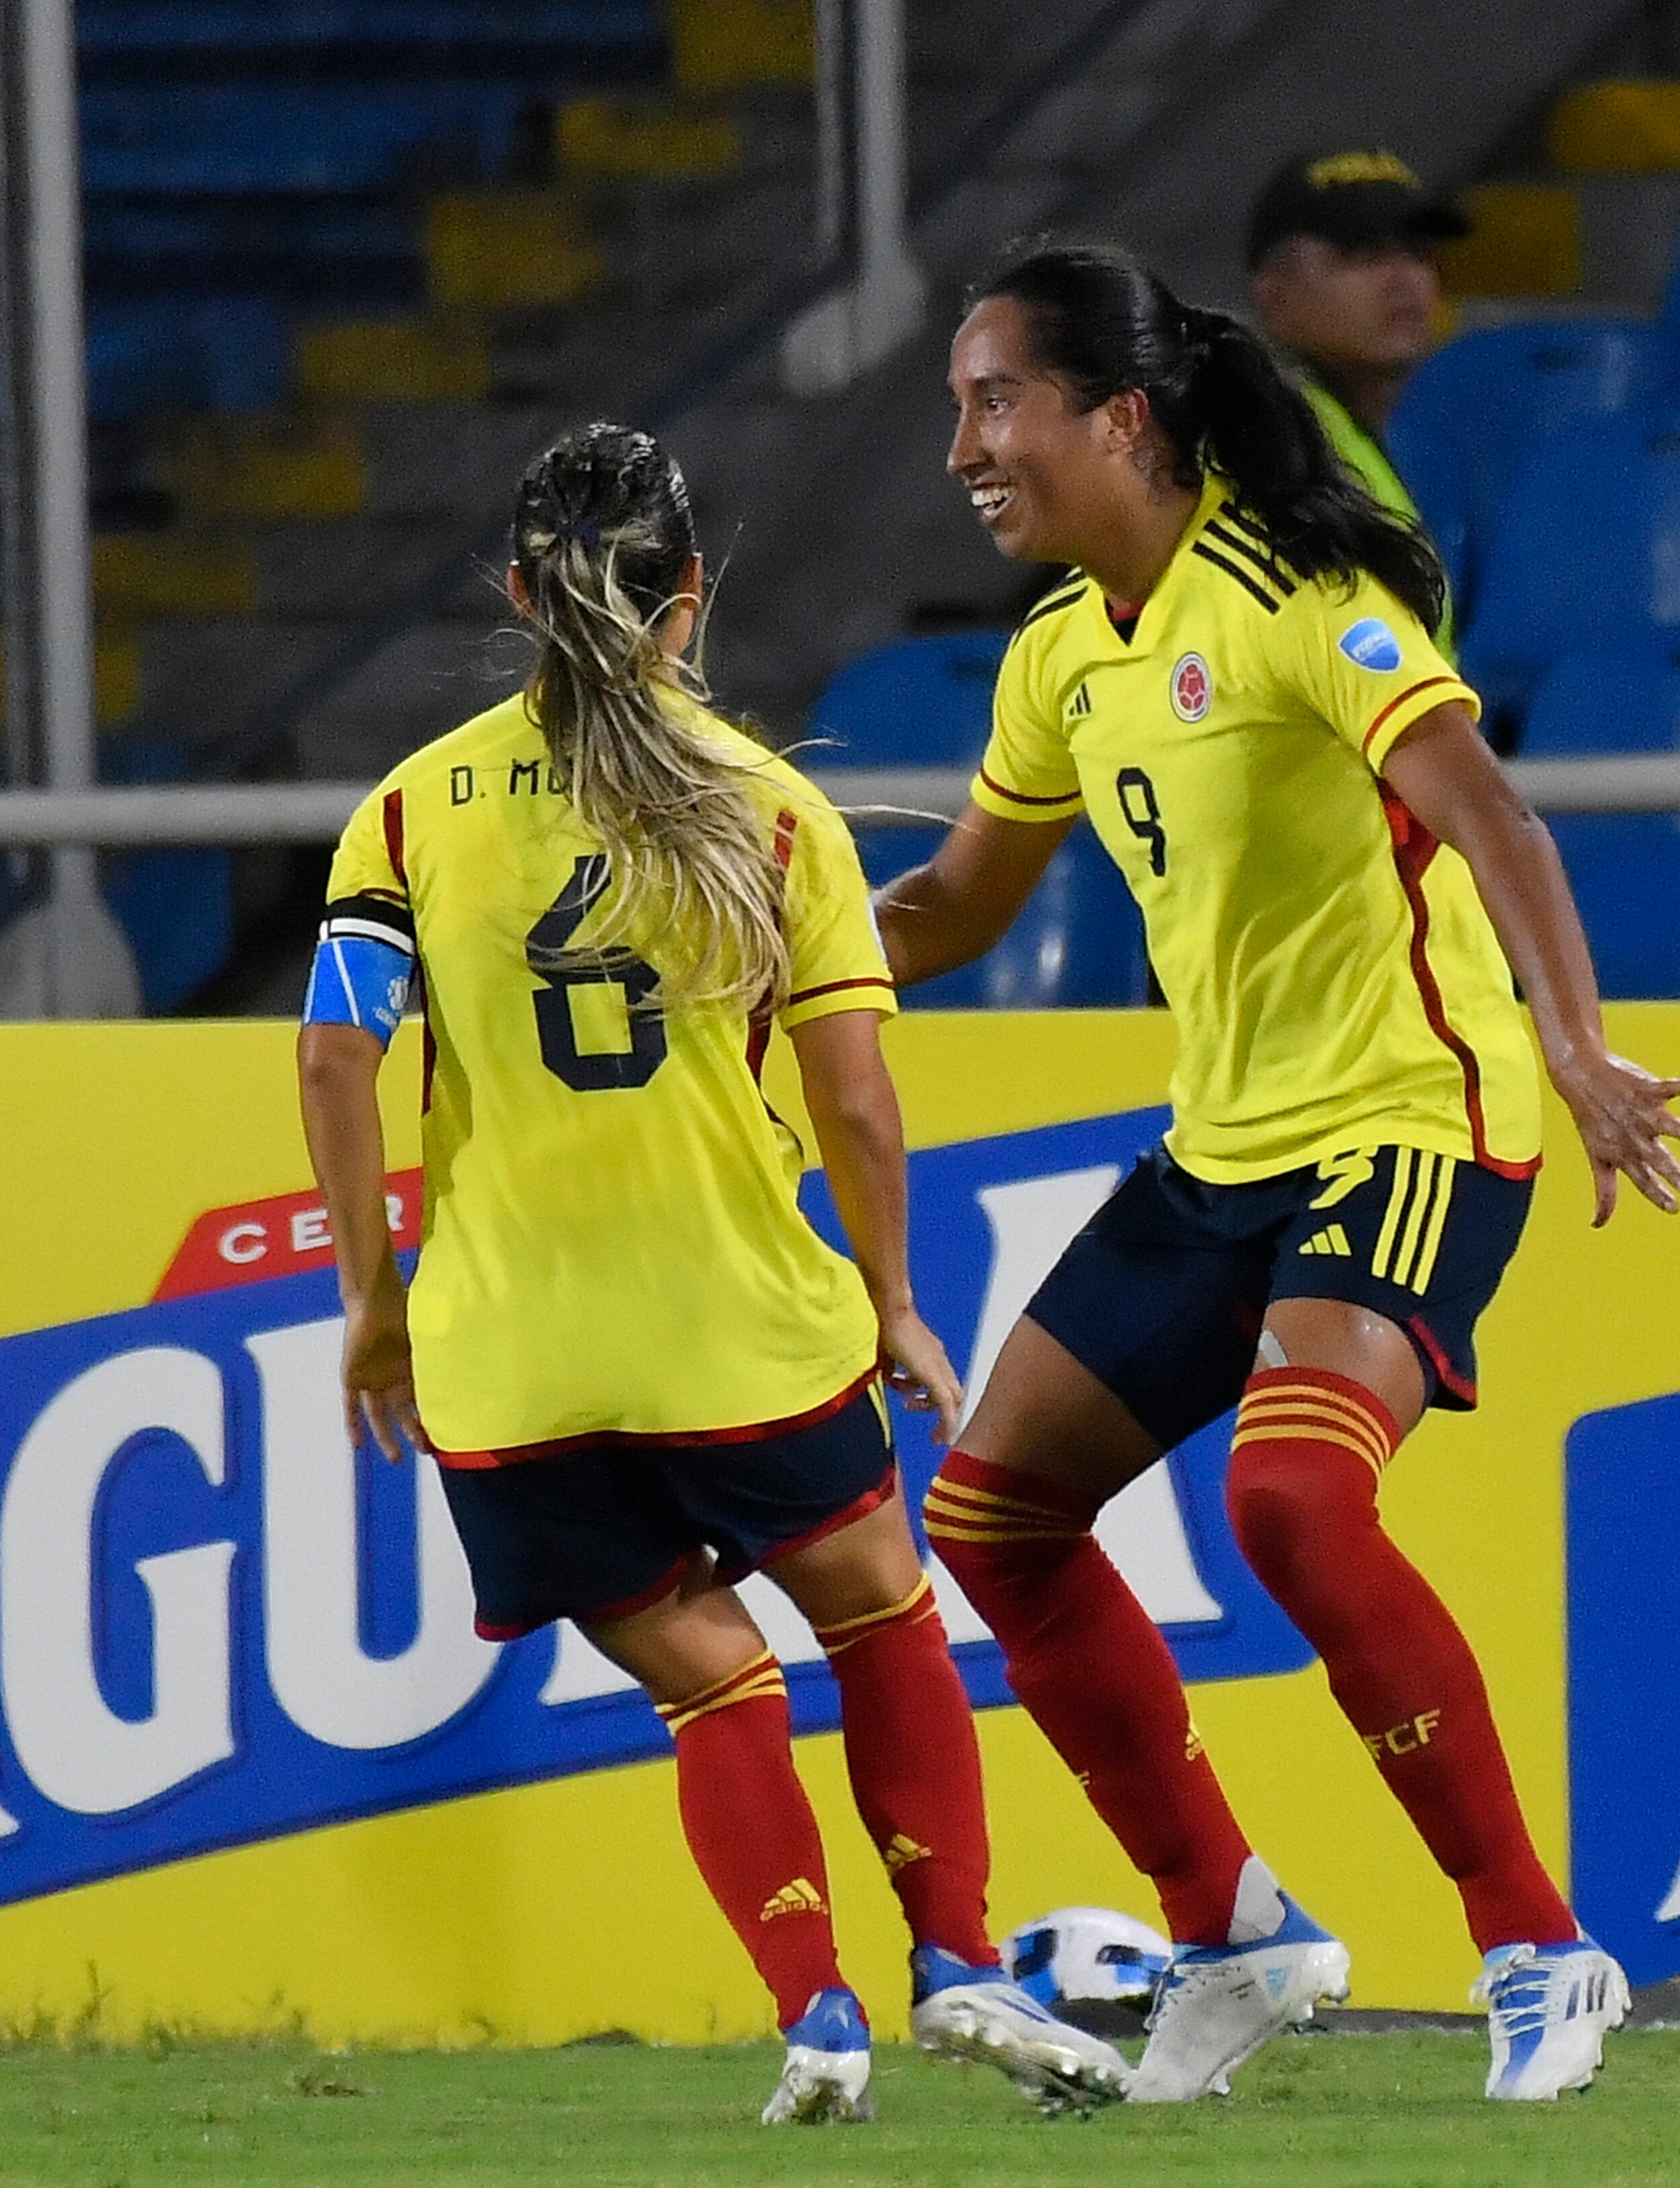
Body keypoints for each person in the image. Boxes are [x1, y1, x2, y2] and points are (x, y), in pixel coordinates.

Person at [888, 241, 1680, 2105]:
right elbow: (950, 909)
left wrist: (1576, 1053)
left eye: (997, 400)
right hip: (1227, 1143)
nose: (965, 448)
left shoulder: (1294, 594)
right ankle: (1234, 1926)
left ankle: (1539, 1945)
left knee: (1294, 1508)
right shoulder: (1060, 660)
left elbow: (1488, 811)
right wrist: (760, 968)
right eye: (958, 408)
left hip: (1415, 1109)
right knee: (996, 1516)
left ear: (1123, 413)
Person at [293, 423, 1133, 2125]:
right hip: (734, 1321)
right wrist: (892, 1298)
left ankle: (812, 2012)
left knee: (705, 1676)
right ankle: (954, 1961)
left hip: (510, 1355)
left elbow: (331, 1062)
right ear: (694, 595)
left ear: (522, 594)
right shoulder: (768, 807)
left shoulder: (411, 807)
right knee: (882, 1609)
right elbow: (855, 1096)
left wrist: (377, 1308)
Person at [1243, 148, 1468, 521]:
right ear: (1275, 294)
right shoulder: (1264, 451)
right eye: (1367, 254)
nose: (1405, 278)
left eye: (1418, 252)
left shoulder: (1420, 435)